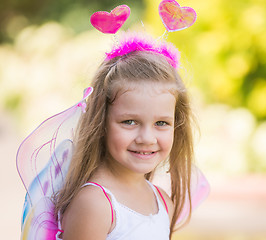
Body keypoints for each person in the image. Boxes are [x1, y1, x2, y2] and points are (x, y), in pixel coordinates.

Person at [53, 32, 195, 240]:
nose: (147, 138)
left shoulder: (164, 203)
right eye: (129, 122)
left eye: (161, 123)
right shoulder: (95, 205)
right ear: (100, 122)